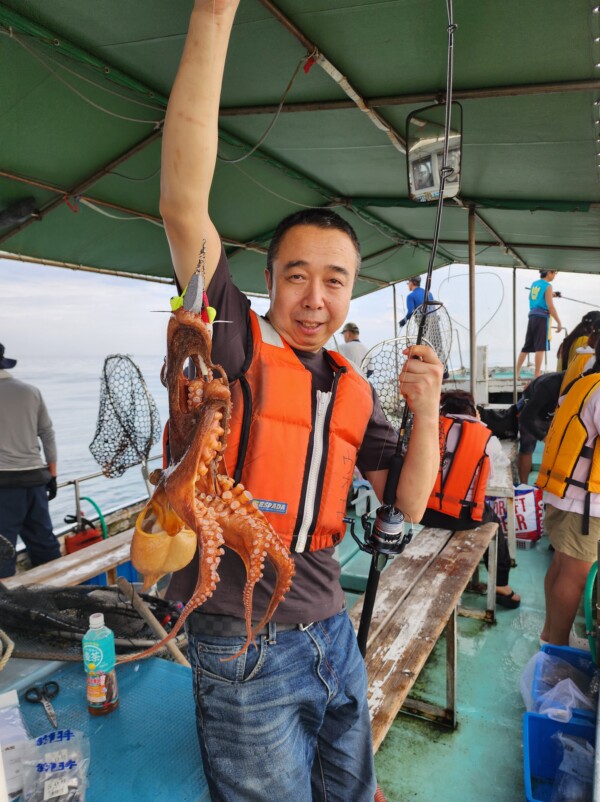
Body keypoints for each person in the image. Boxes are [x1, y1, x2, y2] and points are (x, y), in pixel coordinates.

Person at [160, 3, 443, 800]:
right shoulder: (238, 343)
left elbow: (410, 504)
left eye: (335, 280)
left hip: (332, 632)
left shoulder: (354, 389)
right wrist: (214, 18)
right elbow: (184, 206)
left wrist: (425, 412)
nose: (314, 298)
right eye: (296, 275)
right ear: (268, 281)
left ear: (352, 292)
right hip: (239, 641)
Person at [420, 390, 521, 609]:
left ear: (443, 410)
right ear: (474, 411)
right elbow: (493, 473)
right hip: (463, 517)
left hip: (424, 513)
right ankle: (501, 585)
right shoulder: (486, 438)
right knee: (494, 523)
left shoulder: (428, 431)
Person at [537, 338, 600, 647]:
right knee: (575, 575)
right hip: (587, 504)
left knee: (562, 566)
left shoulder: (583, 384)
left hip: (563, 493)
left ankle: (551, 635)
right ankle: (558, 646)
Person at [0, 344, 60, 578]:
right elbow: (47, 434)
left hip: (3, 487)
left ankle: (6, 612)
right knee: (44, 541)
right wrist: (52, 475)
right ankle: (60, 597)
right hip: (35, 480)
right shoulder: (30, 391)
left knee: (3, 550)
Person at [516, 371, 564, 484]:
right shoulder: (548, 386)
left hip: (555, 412)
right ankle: (524, 486)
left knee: (560, 449)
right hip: (532, 411)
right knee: (527, 447)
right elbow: (525, 418)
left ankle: (553, 486)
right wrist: (544, 437)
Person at [516, 270, 563, 378]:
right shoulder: (548, 286)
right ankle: (537, 374)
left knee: (526, 347)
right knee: (540, 347)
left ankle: (517, 372)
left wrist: (553, 295)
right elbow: (550, 307)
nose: (555, 275)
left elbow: (534, 298)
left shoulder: (534, 284)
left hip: (532, 316)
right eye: (554, 273)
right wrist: (559, 322)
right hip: (542, 317)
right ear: (549, 273)